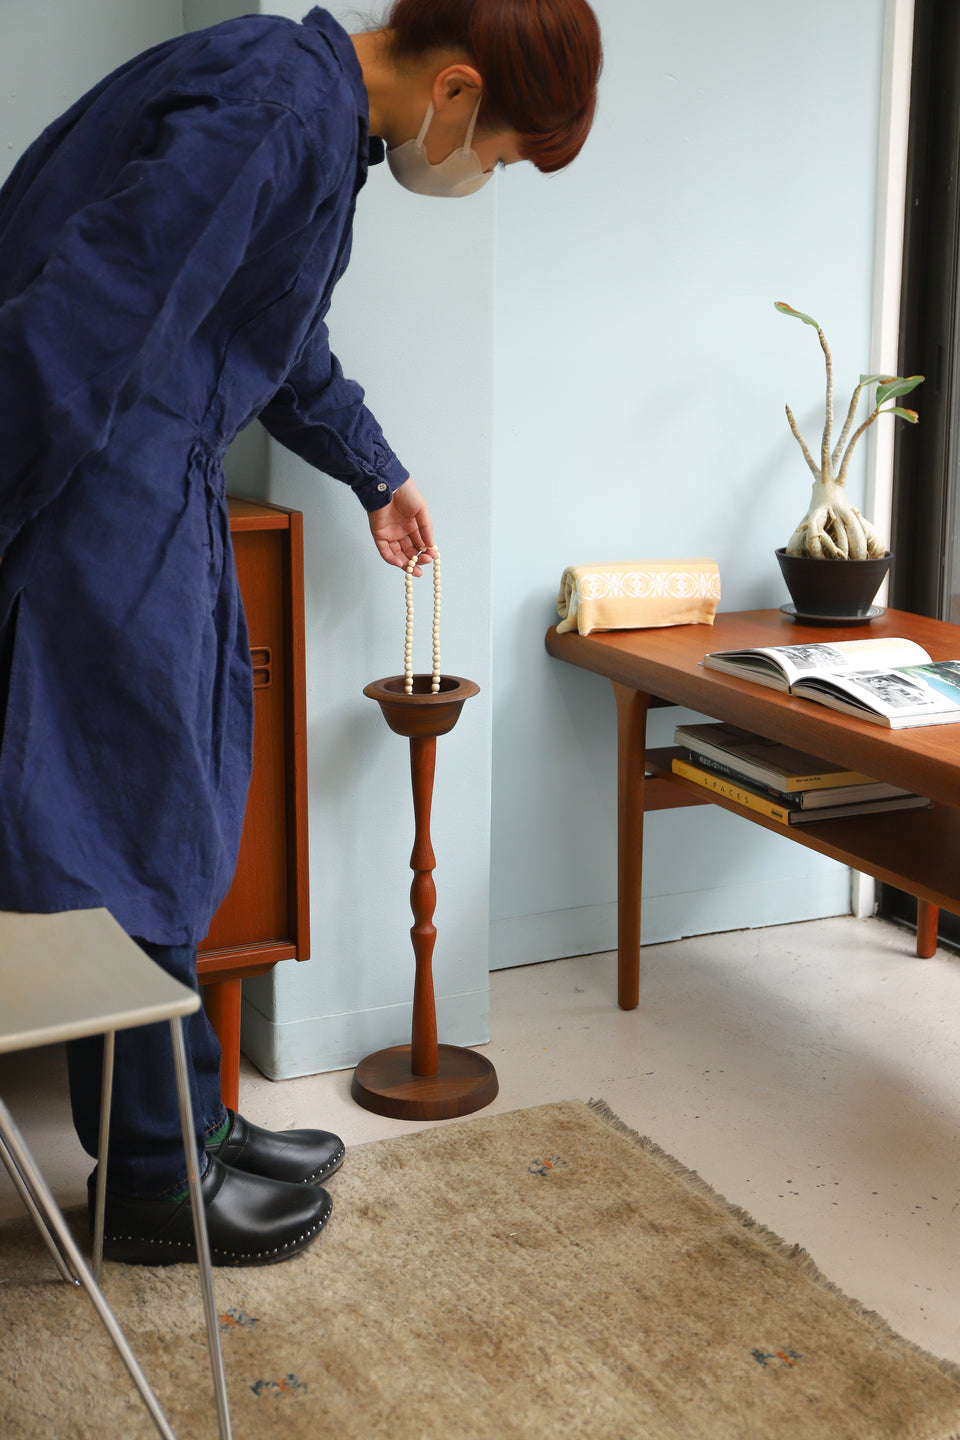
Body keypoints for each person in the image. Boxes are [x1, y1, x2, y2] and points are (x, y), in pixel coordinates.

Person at [0, 0, 602, 1267]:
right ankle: (158, 1182)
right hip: (99, 483)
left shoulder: (318, 120)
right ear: (455, 88)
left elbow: (272, 335)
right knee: (143, 819)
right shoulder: (277, 107)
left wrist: (376, 471)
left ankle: (196, 1126)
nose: (479, 174)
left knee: (184, 805)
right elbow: (85, 313)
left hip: (148, 477)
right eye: (496, 152)